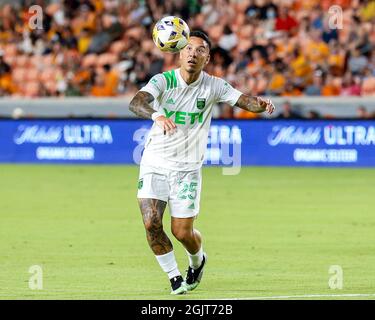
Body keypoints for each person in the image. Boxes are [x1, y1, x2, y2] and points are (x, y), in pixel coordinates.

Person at [129, 31, 275, 295]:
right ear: (179, 52)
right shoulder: (163, 81)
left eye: (200, 50)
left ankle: (198, 261)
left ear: (207, 58)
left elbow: (244, 100)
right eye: (188, 49)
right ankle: (174, 278)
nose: (192, 54)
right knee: (151, 222)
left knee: (182, 232)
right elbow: (136, 102)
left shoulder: (214, 86)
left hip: (187, 169)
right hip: (155, 162)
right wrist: (157, 116)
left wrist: (261, 104)